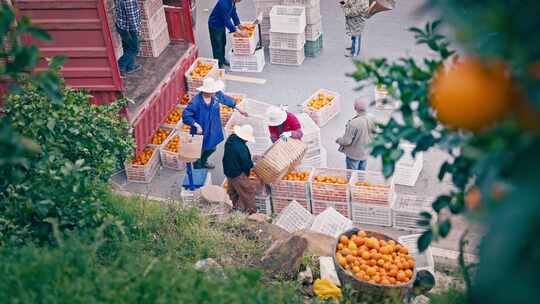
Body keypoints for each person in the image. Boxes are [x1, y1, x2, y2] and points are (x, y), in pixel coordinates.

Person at [182, 77, 248, 169]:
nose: (214, 93)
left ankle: (204, 161)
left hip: (213, 128)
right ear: (206, 91)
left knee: (212, 148)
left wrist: (238, 108)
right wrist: (196, 125)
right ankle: (198, 168)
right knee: (198, 151)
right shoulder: (196, 102)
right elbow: (186, 116)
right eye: (212, 91)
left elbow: (225, 99)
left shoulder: (216, 95)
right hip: (201, 131)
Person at [223, 124, 257, 214]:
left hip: (228, 170)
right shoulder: (241, 148)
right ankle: (251, 213)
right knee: (248, 191)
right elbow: (246, 164)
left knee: (233, 191)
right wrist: (249, 170)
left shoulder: (231, 139)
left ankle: (235, 208)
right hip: (237, 173)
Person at [336, 98, 376, 170]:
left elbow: (347, 141)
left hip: (354, 154)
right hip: (365, 152)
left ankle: (353, 181)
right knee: (362, 171)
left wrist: (339, 140)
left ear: (355, 108)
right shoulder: (372, 118)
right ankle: (361, 181)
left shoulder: (353, 123)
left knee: (352, 173)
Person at [208, 0, 248, 68]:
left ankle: (222, 59)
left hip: (221, 25)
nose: (239, 2)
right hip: (215, 25)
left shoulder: (232, 2)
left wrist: (238, 24)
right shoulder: (223, 3)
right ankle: (219, 63)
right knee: (217, 45)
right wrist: (238, 31)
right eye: (239, 0)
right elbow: (226, 20)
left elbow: (233, 13)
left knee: (223, 42)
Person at [115, 0, 142, 75]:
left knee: (127, 47)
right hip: (128, 29)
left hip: (121, 26)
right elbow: (132, 20)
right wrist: (136, 32)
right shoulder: (130, 1)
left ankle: (130, 67)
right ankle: (120, 65)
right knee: (134, 48)